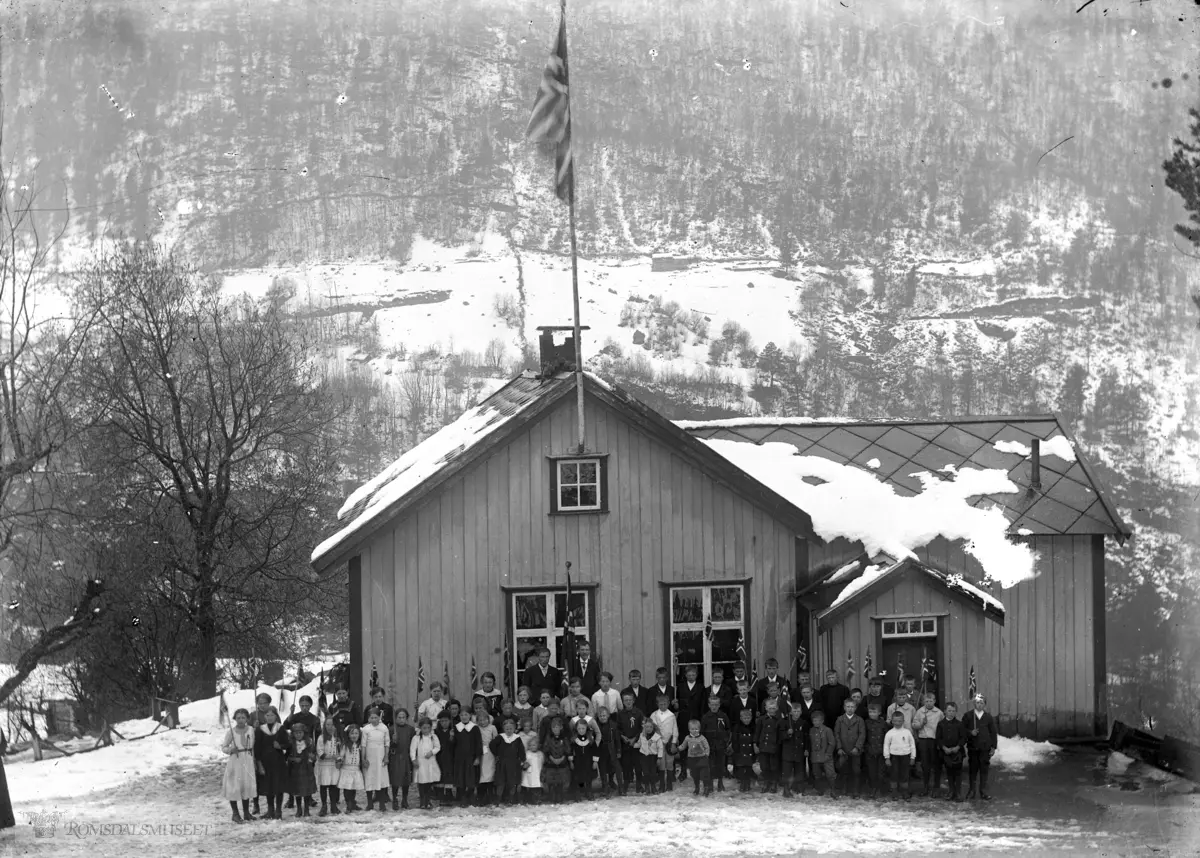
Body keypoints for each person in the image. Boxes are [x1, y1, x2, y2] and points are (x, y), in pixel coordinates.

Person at [221, 708, 257, 823]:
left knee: (245, 786)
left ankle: (246, 813)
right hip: (235, 761)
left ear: (247, 719)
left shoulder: (251, 730)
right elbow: (224, 747)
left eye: (243, 718)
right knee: (234, 787)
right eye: (238, 718)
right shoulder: (231, 732)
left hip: (247, 760)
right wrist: (231, 749)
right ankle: (235, 814)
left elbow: (253, 744)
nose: (241, 720)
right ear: (235, 719)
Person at [254, 706, 290, 819]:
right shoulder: (260, 729)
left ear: (276, 716)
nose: (270, 718)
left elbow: (288, 744)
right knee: (268, 786)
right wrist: (259, 764)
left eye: (272, 715)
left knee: (278, 786)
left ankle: (278, 810)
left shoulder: (281, 728)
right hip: (265, 762)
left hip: (278, 761)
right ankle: (270, 810)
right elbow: (257, 748)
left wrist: (280, 746)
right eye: (267, 715)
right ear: (264, 717)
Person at [963, 694, 998, 801]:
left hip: (985, 748)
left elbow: (993, 733)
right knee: (973, 769)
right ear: (974, 703)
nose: (979, 705)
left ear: (985, 705)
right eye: (977, 702)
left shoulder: (988, 717)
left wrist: (993, 747)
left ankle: (983, 790)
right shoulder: (968, 716)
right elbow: (962, 730)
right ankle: (972, 790)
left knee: (984, 769)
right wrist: (970, 732)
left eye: (982, 703)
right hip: (973, 748)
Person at [912, 692, 945, 797]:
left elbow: (943, 726)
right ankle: (925, 787)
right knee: (925, 765)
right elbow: (914, 725)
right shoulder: (919, 712)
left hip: (934, 740)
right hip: (924, 740)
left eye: (931, 701)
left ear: (934, 701)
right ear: (923, 701)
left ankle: (936, 787)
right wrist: (921, 723)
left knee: (936, 764)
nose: (929, 703)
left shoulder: (939, 713)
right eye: (926, 701)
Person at [491, 717, 528, 805]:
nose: (509, 730)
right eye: (507, 729)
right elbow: (492, 745)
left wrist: (523, 760)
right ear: (504, 729)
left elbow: (521, 750)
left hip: (513, 764)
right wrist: (497, 754)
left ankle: (511, 799)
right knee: (501, 782)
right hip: (502, 763)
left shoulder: (517, 738)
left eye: (511, 728)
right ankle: (498, 799)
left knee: (512, 782)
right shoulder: (500, 737)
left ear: (514, 728)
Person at [451, 706, 482, 806]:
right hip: (459, 758)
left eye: (466, 715)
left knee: (471, 779)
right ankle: (462, 798)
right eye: (462, 715)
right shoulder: (456, 727)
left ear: (470, 716)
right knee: (461, 779)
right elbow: (453, 744)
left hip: (470, 758)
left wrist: (477, 757)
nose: (464, 717)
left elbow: (478, 743)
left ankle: (470, 796)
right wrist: (451, 737)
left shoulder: (474, 728)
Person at [937, 701, 968, 802]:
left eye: (953, 711)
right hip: (946, 752)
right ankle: (951, 791)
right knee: (949, 773)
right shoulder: (941, 724)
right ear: (945, 711)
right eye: (949, 711)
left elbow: (963, 738)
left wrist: (958, 747)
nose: (951, 713)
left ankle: (958, 793)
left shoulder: (959, 724)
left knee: (958, 773)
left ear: (956, 712)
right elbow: (938, 738)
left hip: (957, 752)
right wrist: (944, 747)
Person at [834, 697, 865, 798]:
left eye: (852, 707)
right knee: (843, 769)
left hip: (855, 750)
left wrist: (857, 747)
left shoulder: (859, 720)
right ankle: (844, 789)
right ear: (844, 707)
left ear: (855, 708)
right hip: (843, 749)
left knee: (856, 770)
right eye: (848, 707)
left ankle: (855, 790)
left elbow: (862, 735)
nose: (850, 709)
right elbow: (836, 734)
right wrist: (839, 748)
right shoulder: (840, 720)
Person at [883, 710, 917, 801]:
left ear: (903, 721)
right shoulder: (889, 733)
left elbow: (912, 745)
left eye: (900, 721)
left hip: (905, 756)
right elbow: (886, 746)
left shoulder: (907, 732)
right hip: (894, 757)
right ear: (892, 721)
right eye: (895, 721)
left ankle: (905, 792)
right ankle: (894, 792)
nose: (897, 723)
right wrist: (887, 758)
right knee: (894, 774)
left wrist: (913, 757)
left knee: (904, 774)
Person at [361, 707, 391, 811]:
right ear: (368, 718)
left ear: (380, 717)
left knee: (381, 779)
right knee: (369, 779)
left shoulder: (384, 728)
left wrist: (386, 756)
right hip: (370, 757)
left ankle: (382, 803)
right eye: (371, 718)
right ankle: (370, 803)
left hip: (381, 757)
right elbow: (363, 745)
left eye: (376, 717)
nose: (373, 720)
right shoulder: (366, 729)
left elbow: (387, 743)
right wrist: (363, 759)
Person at [700, 694, 731, 793]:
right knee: (710, 765)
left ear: (719, 705)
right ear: (709, 705)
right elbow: (702, 732)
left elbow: (728, 729)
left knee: (720, 764)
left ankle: (720, 782)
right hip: (709, 746)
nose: (714, 707)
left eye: (716, 705)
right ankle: (710, 784)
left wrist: (726, 741)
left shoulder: (723, 716)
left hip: (721, 745)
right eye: (712, 704)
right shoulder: (705, 717)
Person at [649, 692, 679, 792]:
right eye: (661, 704)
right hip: (659, 744)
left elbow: (675, 730)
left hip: (669, 743)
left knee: (669, 763)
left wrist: (674, 742)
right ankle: (662, 784)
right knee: (661, 763)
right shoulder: (654, 715)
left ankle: (669, 784)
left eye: (665, 704)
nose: (663, 706)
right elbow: (652, 729)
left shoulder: (671, 716)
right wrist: (658, 741)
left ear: (668, 703)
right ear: (657, 704)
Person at [617, 692, 646, 794]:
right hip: (625, 744)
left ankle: (639, 784)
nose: (628, 702)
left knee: (638, 765)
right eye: (626, 700)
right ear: (623, 702)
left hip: (636, 743)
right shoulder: (620, 714)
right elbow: (618, 728)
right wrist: (622, 736)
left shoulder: (638, 713)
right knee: (626, 765)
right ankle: (625, 784)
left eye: (630, 700)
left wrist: (635, 738)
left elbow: (642, 727)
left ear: (633, 701)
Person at [286, 722, 317, 818]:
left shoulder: (309, 743)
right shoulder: (291, 744)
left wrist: (312, 757)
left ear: (304, 733)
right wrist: (293, 759)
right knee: (297, 790)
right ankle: (299, 809)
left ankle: (306, 809)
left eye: (300, 732)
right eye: (296, 733)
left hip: (306, 768)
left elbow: (314, 756)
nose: (298, 735)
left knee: (306, 790)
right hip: (295, 770)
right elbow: (287, 757)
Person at [410, 717, 441, 810]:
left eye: (428, 727)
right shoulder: (416, 738)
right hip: (421, 763)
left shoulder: (433, 737)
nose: (426, 730)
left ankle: (428, 801)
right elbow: (412, 750)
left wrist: (432, 752)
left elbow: (438, 747)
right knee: (421, 782)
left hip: (430, 762)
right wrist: (413, 759)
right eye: (424, 728)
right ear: (420, 728)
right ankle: (422, 802)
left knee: (429, 782)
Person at [754, 697, 784, 793]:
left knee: (774, 766)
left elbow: (780, 735)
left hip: (774, 747)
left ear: (777, 708)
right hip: (763, 747)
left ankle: (774, 783)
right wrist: (755, 744)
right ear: (766, 708)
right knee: (764, 766)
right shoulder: (762, 719)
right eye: (769, 708)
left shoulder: (780, 720)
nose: (772, 710)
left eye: (774, 708)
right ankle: (766, 783)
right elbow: (757, 732)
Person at [389, 708, 416, 810]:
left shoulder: (410, 729)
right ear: (395, 718)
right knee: (395, 779)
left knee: (406, 780)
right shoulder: (391, 729)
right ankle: (395, 799)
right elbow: (388, 745)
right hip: (395, 757)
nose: (401, 719)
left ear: (406, 718)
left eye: (403, 717)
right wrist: (393, 742)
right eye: (399, 717)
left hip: (406, 757)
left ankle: (405, 799)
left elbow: (413, 744)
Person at [780, 700, 808, 798]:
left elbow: (806, 737)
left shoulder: (803, 723)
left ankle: (798, 788)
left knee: (799, 771)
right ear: (790, 712)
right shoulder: (785, 722)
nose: (796, 713)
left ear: (801, 712)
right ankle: (786, 789)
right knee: (787, 772)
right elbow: (780, 737)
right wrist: (787, 733)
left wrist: (806, 749)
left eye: (798, 711)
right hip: (788, 752)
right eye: (794, 711)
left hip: (799, 751)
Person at [542, 716, 572, 803]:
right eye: (553, 727)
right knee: (552, 780)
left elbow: (568, 749)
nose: (555, 729)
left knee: (562, 780)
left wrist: (562, 758)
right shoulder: (548, 737)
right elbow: (546, 749)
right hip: (551, 762)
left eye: (557, 727)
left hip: (562, 762)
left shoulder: (564, 737)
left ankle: (561, 795)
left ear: (561, 727)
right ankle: (553, 795)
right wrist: (552, 758)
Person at [678, 719, 713, 796]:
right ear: (689, 729)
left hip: (702, 759)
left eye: (696, 729)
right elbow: (683, 746)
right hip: (692, 759)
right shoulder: (687, 738)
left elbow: (707, 747)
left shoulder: (702, 738)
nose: (694, 731)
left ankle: (706, 788)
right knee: (694, 774)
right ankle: (697, 787)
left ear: (699, 729)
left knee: (704, 774)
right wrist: (678, 749)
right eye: (692, 729)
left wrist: (706, 755)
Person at [808, 709, 837, 797]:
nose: (816, 722)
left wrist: (828, 754)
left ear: (822, 721)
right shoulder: (811, 730)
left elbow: (832, 743)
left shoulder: (827, 730)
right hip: (815, 757)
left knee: (830, 774)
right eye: (814, 721)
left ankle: (833, 790)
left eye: (818, 720)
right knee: (817, 774)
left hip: (825, 756)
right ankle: (820, 790)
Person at [315, 719, 342, 816]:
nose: (330, 727)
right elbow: (320, 753)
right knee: (324, 785)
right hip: (325, 765)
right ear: (325, 726)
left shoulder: (337, 739)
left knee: (333, 786)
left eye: (332, 725)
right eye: (328, 724)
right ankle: (324, 806)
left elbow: (340, 752)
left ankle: (333, 805)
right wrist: (331, 757)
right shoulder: (321, 738)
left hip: (334, 766)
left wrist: (339, 759)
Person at [337, 724, 366, 812]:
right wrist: (339, 760)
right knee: (347, 788)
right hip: (347, 769)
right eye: (352, 733)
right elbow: (341, 755)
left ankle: (353, 803)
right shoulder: (345, 745)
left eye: (356, 733)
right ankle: (348, 803)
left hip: (356, 769)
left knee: (353, 787)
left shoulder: (360, 746)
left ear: (359, 734)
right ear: (348, 735)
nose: (354, 735)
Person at [863, 703, 889, 799]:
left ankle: (880, 789)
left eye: (874, 712)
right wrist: (866, 748)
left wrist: (886, 751)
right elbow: (864, 737)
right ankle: (873, 789)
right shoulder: (866, 723)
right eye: (870, 712)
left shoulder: (883, 724)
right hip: (870, 751)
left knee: (880, 772)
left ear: (879, 713)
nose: (872, 714)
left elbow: (887, 738)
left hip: (881, 752)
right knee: (871, 772)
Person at [569, 717, 598, 799]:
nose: (581, 730)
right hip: (578, 761)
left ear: (586, 728)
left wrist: (595, 761)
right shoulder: (574, 739)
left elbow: (595, 750)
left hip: (588, 761)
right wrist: (571, 761)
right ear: (576, 729)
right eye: (579, 728)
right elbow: (570, 750)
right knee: (578, 777)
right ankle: (578, 792)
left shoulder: (590, 739)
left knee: (588, 777)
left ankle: (589, 791)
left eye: (583, 728)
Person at [595, 707, 621, 796]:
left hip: (611, 748)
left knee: (613, 767)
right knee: (602, 768)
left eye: (604, 715)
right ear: (598, 716)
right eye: (600, 716)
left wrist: (618, 751)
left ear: (608, 715)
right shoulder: (596, 725)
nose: (602, 717)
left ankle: (612, 782)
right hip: (601, 749)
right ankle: (604, 786)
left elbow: (617, 739)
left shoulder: (613, 725)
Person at [731, 707, 757, 792]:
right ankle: (742, 782)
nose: (746, 720)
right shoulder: (737, 727)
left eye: (748, 718)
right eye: (745, 718)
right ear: (741, 718)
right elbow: (735, 740)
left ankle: (748, 782)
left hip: (749, 751)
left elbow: (755, 738)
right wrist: (736, 750)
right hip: (740, 751)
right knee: (741, 768)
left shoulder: (753, 727)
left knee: (749, 767)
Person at [635, 720, 664, 794]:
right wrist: (634, 745)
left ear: (653, 727)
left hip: (653, 757)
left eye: (650, 727)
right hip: (644, 757)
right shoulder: (642, 735)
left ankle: (653, 787)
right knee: (646, 773)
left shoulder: (657, 737)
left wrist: (659, 758)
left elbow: (660, 748)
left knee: (653, 773)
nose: (649, 728)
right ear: (644, 727)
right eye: (647, 727)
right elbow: (639, 743)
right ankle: (647, 788)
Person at [434, 710, 456, 805]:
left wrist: (452, 738)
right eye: (442, 721)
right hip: (439, 757)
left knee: (449, 775)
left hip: (450, 757)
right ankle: (440, 795)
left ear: (450, 721)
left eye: (446, 721)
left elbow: (455, 745)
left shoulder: (453, 731)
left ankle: (448, 794)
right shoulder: (436, 732)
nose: (444, 723)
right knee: (440, 775)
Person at [477, 711, 498, 804]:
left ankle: (491, 795)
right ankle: (482, 796)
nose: (482, 722)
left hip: (490, 752)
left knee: (491, 772)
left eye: (484, 720)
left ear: (488, 720)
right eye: (480, 720)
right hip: (481, 752)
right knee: (482, 774)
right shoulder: (477, 728)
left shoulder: (492, 728)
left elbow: (496, 740)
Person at [521, 736, 544, 804]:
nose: (532, 747)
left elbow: (542, 762)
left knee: (537, 787)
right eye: (530, 745)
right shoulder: (527, 753)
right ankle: (526, 800)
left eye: (534, 745)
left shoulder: (540, 754)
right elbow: (522, 763)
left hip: (537, 774)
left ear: (537, 745)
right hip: (529, 774)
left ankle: (537, 800)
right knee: (528, 786)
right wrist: (524, 766)